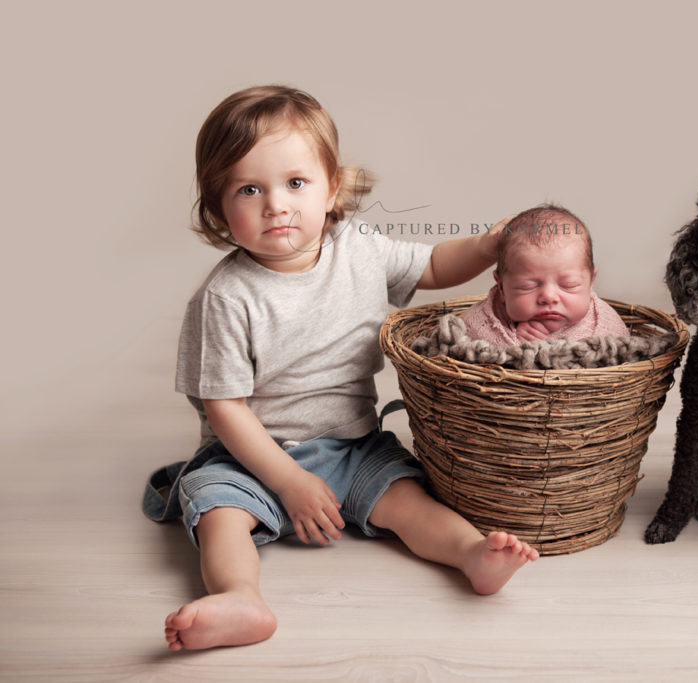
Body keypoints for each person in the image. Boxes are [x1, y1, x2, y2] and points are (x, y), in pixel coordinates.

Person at [147, 85, 538, 652]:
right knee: (218, 509)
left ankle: (472, 555)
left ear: (332, 188)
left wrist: (487, 244)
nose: (276, 204)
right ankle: (239, 596)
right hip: (254, 454)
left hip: (352, 445)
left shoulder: (360, 249)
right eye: (249, 189)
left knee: (409, 501)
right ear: (218, 209)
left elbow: (429, 263)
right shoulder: (227, 297)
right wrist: (288, 479)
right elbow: (224, 407)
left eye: (295, 183)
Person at [461, 204, 629, 346]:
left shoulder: (606, 326)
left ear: (591, 282)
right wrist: (516, 348)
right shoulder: (485, 319)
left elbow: (624, 360)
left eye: (568, 284)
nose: (549, 297)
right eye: (528, 286)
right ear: (501, 287)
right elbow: (462, 351)